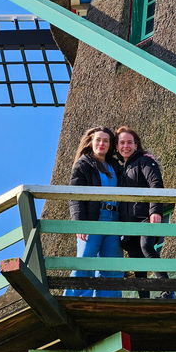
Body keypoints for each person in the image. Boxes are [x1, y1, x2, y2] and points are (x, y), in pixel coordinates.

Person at [115, 126, 174, 299]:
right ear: (117, 146)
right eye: (122, 143)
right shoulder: (119, 169)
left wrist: (155, 210)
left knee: (146, 246)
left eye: (130, 142)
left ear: (136, 144)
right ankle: (144, 299)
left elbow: (156, 184)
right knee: (136, 258)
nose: (126, 146)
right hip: (128, 222)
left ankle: (168, 290)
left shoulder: (145, 161)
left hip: (144, 217)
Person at [64, 126, 123, 298]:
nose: (102, 143)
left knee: (111, 265)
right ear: (91, 142)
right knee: (84, 261)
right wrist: (80, 223)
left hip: (114, 219)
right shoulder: (83, 164)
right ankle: (73, 301)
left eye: (106, 140)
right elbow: (74, 196)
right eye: (98, 139)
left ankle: (107, 303)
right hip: (94, 219)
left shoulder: (115, 165)